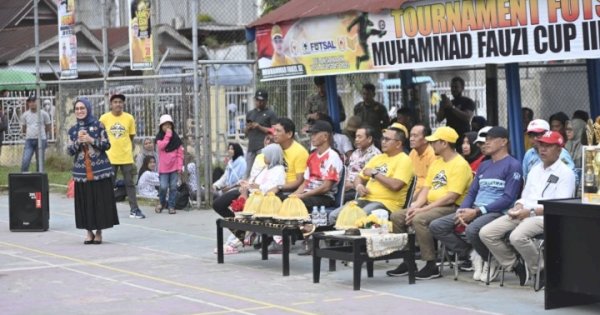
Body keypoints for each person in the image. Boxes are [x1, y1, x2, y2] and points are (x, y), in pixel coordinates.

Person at [480, 131, 575, 287]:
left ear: (559, 149)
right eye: (540, 145)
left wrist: (529, 212)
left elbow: (560, 206)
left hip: (545, 216)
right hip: (524, 213)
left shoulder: (566, 173)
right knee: (486, 233)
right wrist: (517, 207)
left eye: (548, 146)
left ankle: (541, 270)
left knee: (517, 236)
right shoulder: (535, 169)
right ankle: (515, 265)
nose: (542, 149)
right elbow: (525, 196)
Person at [430, 127, 523, 283]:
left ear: (504, 142)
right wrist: (462, 210)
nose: (486, 143)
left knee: (473, 229)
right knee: (436, 226)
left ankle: (489, 258)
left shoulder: (513, 165)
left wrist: (478, 211)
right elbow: (472, 192)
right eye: (485, 139)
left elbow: (508, 198)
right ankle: (475, 254)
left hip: (497, 212)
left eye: (491, 139)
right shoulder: (484, 165)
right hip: (475, 209)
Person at [386, 126, 472, 280]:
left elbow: (451, 197)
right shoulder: (438, 162)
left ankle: (430, 265)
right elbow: (426, 188)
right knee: (397, 216)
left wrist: (422, 210)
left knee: (420, 219)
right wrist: (416, 206)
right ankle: (408, 261)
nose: (431, 145)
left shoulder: (460, 164)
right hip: (432, 206)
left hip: (452, 208)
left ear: (444, 143)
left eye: (434, 142)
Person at [329, 123, 413, 224]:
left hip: (386, 203)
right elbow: (359, 177)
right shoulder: (378, 158)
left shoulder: (405, 160)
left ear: (398, 144)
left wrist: (375, 174)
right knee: (333, 216)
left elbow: (396, 185)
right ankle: (341, 240)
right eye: (383, 139)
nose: (383, 142)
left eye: (387, 139)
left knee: (357, 219)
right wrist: (359, 185)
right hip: (365, 199)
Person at [67, 97, 119, 245]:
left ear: (88, 109)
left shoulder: (98, 125)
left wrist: (90, 139)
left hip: (99, 170)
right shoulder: (73, 130)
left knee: (99, 201)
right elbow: (70, 151)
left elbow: (107, 145)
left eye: (82, 108)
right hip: (81, 172)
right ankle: (88, 232)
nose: (79, 111)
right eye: (77, 109)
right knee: (86, 202)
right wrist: (78, 142)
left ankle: (99, 232)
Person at [99, 93, 146, 219]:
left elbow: (131, 136)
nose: (118, 104)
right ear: (111, 104)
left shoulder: (129, 118)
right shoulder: (104, 118)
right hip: (110, 157)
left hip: (126, 157)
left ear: (123, 104)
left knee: (129, 183)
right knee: (109, 184)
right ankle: (106, 209)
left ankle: (134, 209)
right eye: (115, 102)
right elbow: (100, 135)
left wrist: (124, 147)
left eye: (120, 102)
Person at [292, 120, 343, 211]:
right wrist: (293, 195)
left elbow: (326, 187)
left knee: (298, 203)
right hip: (308, 194)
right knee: (285, 200)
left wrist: (302, 196)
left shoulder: (333, 157)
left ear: (325, 136)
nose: (312, 137)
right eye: (311, 134)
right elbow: (305, 183)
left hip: (324, 197)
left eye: (315, 134)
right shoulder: (312, 156)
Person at [272, 118, 309, 198]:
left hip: (288, 190)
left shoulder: (300, 152)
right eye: (274, 130)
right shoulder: (275, 148)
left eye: (278, 131)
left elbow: (299, 181)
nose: (274, 133)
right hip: (273, 185)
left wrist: (279, 187)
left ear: (289, 134)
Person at [154, 114, 184, 215]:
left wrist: (179, 167)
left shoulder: (176, 139)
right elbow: (161, 147)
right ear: (161, 127)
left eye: (169, 125)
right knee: (163, 187)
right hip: (163, 169)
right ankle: (162, 203)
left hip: (174, 168)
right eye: (165, 125)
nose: (167, 127)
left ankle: (171, 206)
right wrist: (167, 136)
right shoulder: (159, 138)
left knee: (173, 187)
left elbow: (180, 154)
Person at [245, 89, 277, 177]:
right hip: (251, 148)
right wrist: (248, 128)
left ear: (266, 101)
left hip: (263, 148)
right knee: (248, 172)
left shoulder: (270, 114)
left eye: (262, 100)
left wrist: (259, 127)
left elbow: (274, 130)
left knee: (262, 172)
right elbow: (245, 133)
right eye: (257, 100)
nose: (259, 102)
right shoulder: (250, 113)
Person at [344, 126, 381, 202]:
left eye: (359, 137)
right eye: (356, 137)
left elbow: (370, 180)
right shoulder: (355, 152)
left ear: (369, 139)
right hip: (346, 188)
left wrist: (351, 185)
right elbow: (349, 171)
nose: (356, 140)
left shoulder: (375, 155)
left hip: (359, 190)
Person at [20, 95, 51, 172]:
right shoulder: (25, 115)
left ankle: (39, 180)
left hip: (41, 140)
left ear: (37, 102)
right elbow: (23, 128)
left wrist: (42, 135)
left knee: (40, 162)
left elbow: (48, 127)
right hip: (29, 140)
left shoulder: (44, 114)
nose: (32, 103)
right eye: (30, 102)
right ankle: (23, 179)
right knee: (25, 161)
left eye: (33, 101)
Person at [408, 124, 435, 198]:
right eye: (411, 135)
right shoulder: (413, 152)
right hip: (411, 191)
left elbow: (431, 183)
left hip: (424, 194)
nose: (411, 139)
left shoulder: (433, 155)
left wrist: (413, 198)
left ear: (426, 139)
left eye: (415, 136)